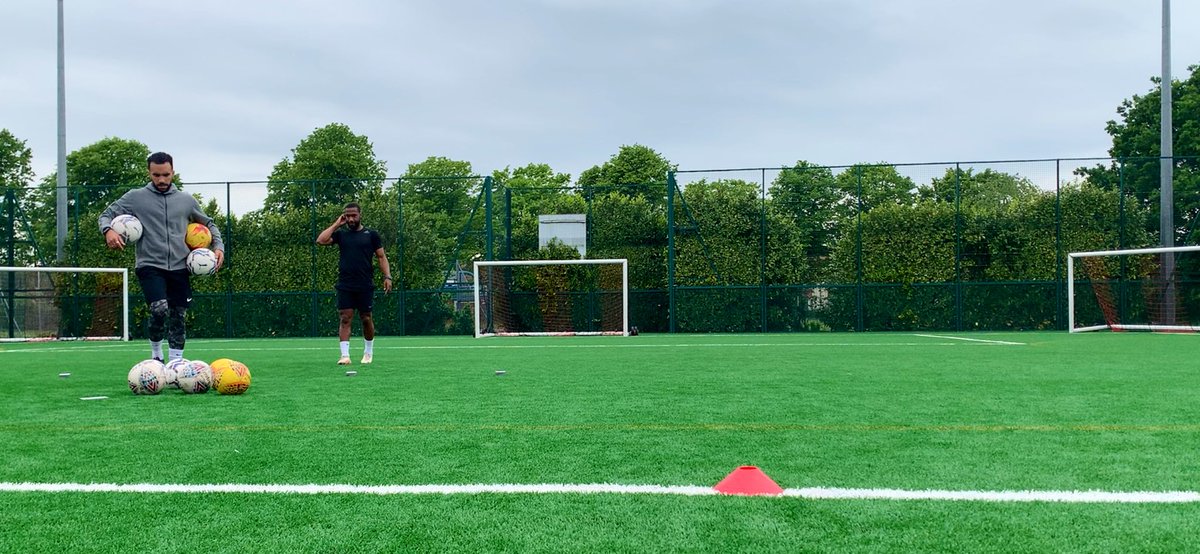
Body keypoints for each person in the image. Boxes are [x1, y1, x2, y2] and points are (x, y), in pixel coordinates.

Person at [99, 152, 225, 363]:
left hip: (180, 266)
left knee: (178, 314)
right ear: (149, 173)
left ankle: (176, 363)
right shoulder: (135, 197)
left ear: (173, 172)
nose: (161, 180)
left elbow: (209, 223)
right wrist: (108, 230)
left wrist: (218, 246)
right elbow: (106, 215)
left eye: (166, 175)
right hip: (149, 265)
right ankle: (156, 355)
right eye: (156, 175)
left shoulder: (186, 200)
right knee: (159, 309)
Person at [316, 202, 392, 365]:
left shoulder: (371, 235)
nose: (350, 219)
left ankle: (368, 353)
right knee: (345, 318)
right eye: (347, 216)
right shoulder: (341, 235)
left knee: (366, 318)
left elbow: (381, 257)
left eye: (353, 215)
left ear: (360, 215)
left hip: (365, 284)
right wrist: (337, 224)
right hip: (345, 284)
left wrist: (387, 277)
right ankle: (345, 356)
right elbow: (321, 240)